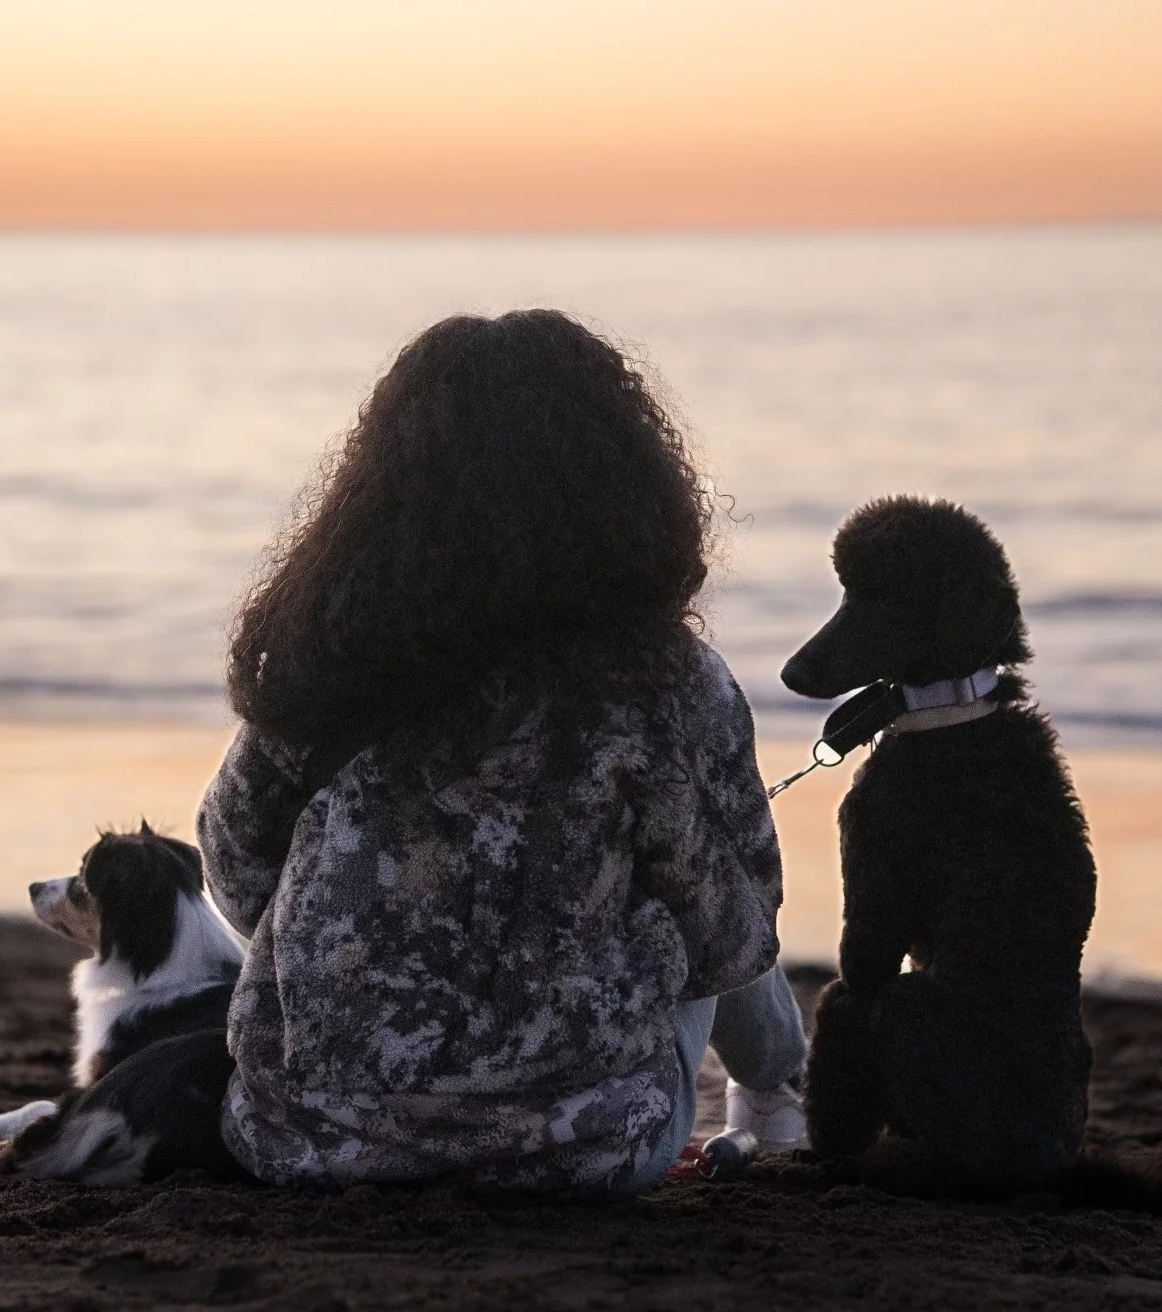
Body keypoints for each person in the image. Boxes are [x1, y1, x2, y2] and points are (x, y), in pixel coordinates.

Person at [197, 309, 806, 1193]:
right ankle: (777, 1087)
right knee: (697, 887)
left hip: (305, 1142)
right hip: (586, 1152)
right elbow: (731, 938)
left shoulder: (329, 660)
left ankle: (772, 1080)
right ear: (622, 484)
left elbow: (236, 867)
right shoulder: (667, 683)